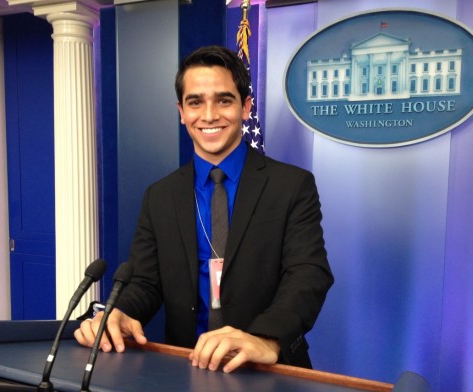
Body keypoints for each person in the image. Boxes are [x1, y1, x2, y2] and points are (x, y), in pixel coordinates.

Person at [74, 45, 333, 373]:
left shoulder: (292, 185)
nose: (209, 115)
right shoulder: (160, 195)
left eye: (224, 100)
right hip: (187, 370)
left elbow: (308, 273)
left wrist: (267, 338)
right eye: (195, 102)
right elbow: (144, 283)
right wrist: (119, 311)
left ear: (246, 107)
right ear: (182, 112)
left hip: (270, 370)